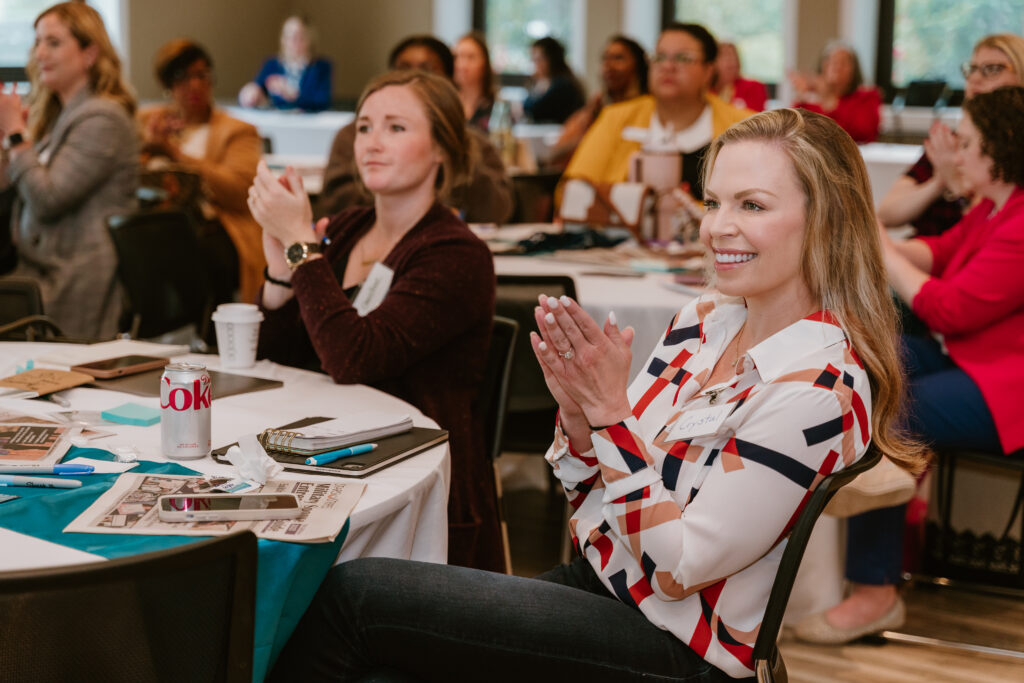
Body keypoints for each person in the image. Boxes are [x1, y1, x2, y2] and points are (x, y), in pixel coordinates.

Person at [266, 108, 923, 682]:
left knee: (356, 591)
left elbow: (679, 568)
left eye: (751, 204)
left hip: (676, 647)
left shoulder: (820, 384)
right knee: (381, 668)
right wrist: (583, 417)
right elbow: (590, 497)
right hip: (605, 587)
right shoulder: (704, 321)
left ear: (826, 220)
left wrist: (610, 415)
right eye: (714, 201)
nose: (718, 225)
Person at [249, 69, 504, 573]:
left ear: (442, 149)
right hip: (328, 457)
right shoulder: (344, 229)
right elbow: (283, 359)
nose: (372, 143)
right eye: (364, 127)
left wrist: (302, 247)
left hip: (414, 482)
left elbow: (354, 358)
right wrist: (281, 274)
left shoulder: (456, 253)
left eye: (396, 128)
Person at [795, 85, 1024, 645]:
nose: (955, 157)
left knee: (895, 418)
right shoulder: (997, 208)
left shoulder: (1019, 221)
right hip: (976, 362)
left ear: (1000, 150)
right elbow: (936, 254)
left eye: (966, 144)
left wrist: (871, 232)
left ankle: (875, 593)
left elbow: (948, 307)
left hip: (1008, 386)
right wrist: (871, 236)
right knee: (860, 359)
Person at [0, 2, 137, 339]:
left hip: (76, 280)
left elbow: (48, 198)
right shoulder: (57, 115)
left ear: (90, 54)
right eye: (38, 42)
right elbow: (11, 185)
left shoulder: (104, 118)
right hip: (36, 269)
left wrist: (17, 135)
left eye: (54, 43)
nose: (40, 53)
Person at [317, 35, 513, 224]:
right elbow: (336, 205)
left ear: (448, 80)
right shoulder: (351, 137)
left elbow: (497, 211)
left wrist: (458, 148)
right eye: (402, 69)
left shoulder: (474, 143)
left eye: (427, 71)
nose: (412, 78)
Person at [139, 39, 265, 305]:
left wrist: (175, 155)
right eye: (183, 78)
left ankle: (204, 334)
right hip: (155, 224)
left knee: (186, 250)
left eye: (201, 75)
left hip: (218, 229)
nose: (195, 85)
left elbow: (240, 191)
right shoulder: (149, 122)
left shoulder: (237, 130)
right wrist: (147, 148)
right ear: (168, 85)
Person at [563, 23, 752, 200]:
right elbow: (571, 190)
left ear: (708, 70)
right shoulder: (616, 118)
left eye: (683, 58)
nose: (667, 66)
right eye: (660, 57)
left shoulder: (743, 126)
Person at [877, 34, 1024, 236]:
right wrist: (939, 182)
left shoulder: (1015, 152)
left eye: (992, 69)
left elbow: (988, 235)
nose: (975, 79)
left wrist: (957, 187)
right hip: (924, 255)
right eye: (972, 69)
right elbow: (886, 213)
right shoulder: (951, 141)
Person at [549, 34, 648, 166]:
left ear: (638, 65)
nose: (609, 65)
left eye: (618, 58)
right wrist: (589, 132)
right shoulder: (595, 109)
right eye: (605, 58)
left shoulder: (649, 109)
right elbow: (553, 157)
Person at [790, 41, 881, 143]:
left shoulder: (867, 97)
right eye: (831, 61)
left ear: (854, 69)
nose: (836, 67)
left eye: (843, 62)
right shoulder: (807, 101)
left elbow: (863, 134)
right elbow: (794, 130)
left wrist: (829, 101)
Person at [238, 16, 332, 112]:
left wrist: (292, 96)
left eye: (299, 36)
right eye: (289, 36)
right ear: (283, 39)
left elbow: (321, 102)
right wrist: (250, 93)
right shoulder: (272, 64)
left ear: (309, 39)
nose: (294, 41)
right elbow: (258, 88)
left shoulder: (320, 67)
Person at [522, 36, 585, 124]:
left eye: (537, 59)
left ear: (550, 60)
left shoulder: (563, 84)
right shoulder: (556, 81)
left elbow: (534, 110)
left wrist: (539, 87)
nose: (535, 64)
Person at [453, 32, 495, 131]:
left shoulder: (496, 106)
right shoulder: (446, 103)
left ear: (485, 64)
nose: (461, 65)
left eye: (470, 57)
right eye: (456, 57)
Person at [712, 41, 768, 112]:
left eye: (734, 56)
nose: (731, 60)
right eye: (725, 56)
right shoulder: (706, 91)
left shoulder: (754, 87)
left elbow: (757, 119)